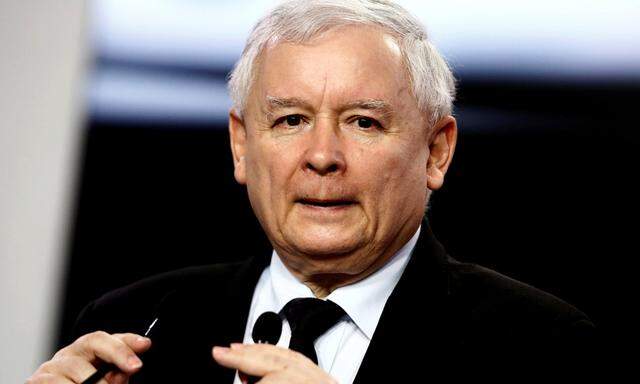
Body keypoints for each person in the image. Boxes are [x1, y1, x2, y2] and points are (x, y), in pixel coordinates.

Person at [27, 0, 596, 383]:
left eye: (363, 122)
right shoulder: (134, 322)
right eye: (291, 120)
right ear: (242, 145)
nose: (322, 157)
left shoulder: (544, 348)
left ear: (437, 151)